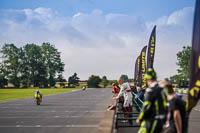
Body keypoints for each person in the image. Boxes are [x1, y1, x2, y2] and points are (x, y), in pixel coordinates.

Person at [136, 68, 167, 133]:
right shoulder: (163, 90)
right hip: (162, 120)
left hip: (152, 120)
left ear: (147, 79)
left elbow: (146, 106)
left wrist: (140, 117)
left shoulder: (150, 90)